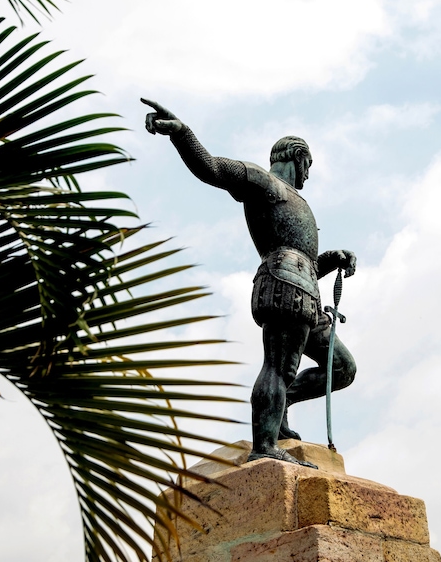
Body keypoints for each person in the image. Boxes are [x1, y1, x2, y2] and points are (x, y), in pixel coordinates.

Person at [143, 99, 357, 468]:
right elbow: (211, 168)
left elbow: (306, 259)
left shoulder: (297, 201)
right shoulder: (263, 181)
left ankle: (282, 403)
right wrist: (182, 134)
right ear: (297, 156)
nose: (308, 175)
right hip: (283, 283)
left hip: (306, 288)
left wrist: (331, 259)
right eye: (308, 166)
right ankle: (265, 445)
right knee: (278, 366)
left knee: (341, 368)